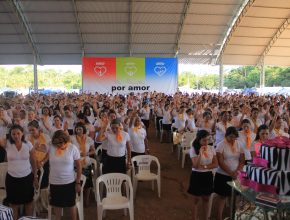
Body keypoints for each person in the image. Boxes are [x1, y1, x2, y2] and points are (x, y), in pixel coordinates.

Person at [0, 125, 38, 220]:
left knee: (28, 202)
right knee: (13, 204)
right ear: (10, 135)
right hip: (12, 179)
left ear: (22, 134)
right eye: (13, 134)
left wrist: (35, 177)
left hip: (27, 178)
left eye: (18, 133)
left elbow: (34, 161)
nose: (16, 136)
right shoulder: (7, 144)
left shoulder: (28, 144)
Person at [49, 130, 81, 220]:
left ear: (66, 140)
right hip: (54, 182)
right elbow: (41, 148)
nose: (58, 144)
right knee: (56, 204)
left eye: (61, 142)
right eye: (56, 142)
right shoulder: (51, 147)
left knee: (71, 205)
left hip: (68, 182)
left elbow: (78, 166)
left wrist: (78, 182)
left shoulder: (72, 148)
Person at [214, 126, 245, 220]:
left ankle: (235, 216)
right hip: (223, 175)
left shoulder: (239, 144)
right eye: (230, 136)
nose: (232, 139)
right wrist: (231, 173)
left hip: (237, 174)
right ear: (226, 135)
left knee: (237, 197)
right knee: (222, 197)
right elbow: (220, 161)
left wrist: (237, 171)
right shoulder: (221, 145)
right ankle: (219, 217)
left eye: (234, 137)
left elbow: (242, 160)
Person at [187, 130, 218, 220]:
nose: (206, 142)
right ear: (199, 140)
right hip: (197, 176)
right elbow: (196, 165)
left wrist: (204, 167)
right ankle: (194, 218)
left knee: (206, 199)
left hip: (207, 176)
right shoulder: (193, 149)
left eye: (208, 140)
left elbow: (215, 164)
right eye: (204, 140)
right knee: (196, 200)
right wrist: (200, 152)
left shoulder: (211, 148)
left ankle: (205, 218)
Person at [71, 122, 95, 206]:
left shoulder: (88, 139)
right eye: (77, 129)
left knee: (88, 183)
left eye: (80, 129)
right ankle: (77, 198)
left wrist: (86, 154)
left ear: (83, 130)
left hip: (86, 162)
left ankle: (86, 199)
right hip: (75, 163)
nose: (78, 131)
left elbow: (93, 150)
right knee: (76, 182)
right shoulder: (72, 138)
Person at [27, 120, 50, 189]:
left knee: (43, 184)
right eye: (29, 130)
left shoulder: (46, 137)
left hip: (44, 162)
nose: (31, 132)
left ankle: (42, 198)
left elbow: (49, 152)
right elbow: (27, 152)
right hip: (31, 163)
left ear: (38, 128)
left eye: (33, 130)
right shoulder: (27, 138)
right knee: (31, 184)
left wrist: (42, 162)